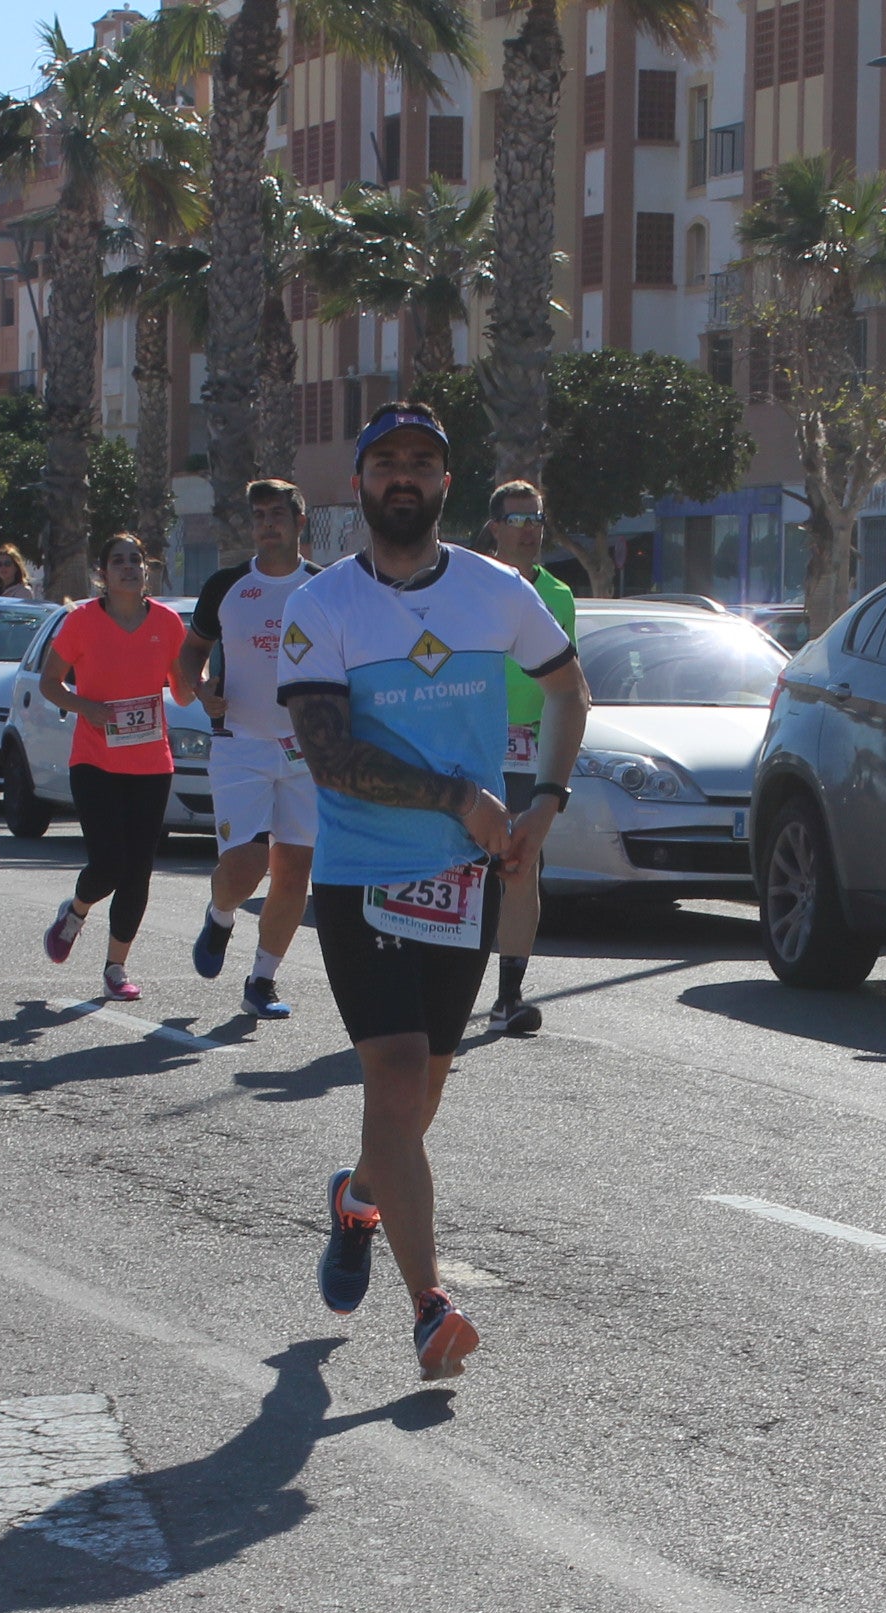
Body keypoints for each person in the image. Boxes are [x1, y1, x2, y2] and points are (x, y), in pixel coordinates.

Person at [276, 404, 589, 1381]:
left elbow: (571, 689)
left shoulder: (499, 593)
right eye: (386, 463)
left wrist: (543, 803)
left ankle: (359, 1199)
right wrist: (458, 795)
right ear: (359, 483)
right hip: (364, 879)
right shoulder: (321, 607)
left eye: (422, 463)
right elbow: (328, 758)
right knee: (398, 1078)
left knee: (421, 1101)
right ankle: (427, 1307)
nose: (403, 477)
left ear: (446, 484)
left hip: (465, 883)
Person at [177, 478, 321, 1020]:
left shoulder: (323, 587)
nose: (267, 523)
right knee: (246, 863)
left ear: (299, 521)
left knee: (293, 871)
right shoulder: (227, 586)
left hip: (306, 751)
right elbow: (192, 654)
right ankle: (219, 915)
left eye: (277, 513)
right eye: (259, 514)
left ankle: (262, 980)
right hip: (239, 744)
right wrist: (202, 688)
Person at [35, 535, 186, 1000]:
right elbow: (48, 683)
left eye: (136, 560)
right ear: (103, 573)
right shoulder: (82, 622)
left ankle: (116, 968)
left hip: (151, 763)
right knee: (108, 863)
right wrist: (86, 707)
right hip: (95, 760)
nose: (128, 567)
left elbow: (182, 690)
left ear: (147, 569)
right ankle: (76, 912)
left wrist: (208, 686)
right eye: (118, 560)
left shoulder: (167, 622)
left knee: (138, 870)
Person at [477, 480, 576, 1037]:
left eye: (536, 518)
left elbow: (568, 683)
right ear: (495, 528)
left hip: (526, 751)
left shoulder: (558, 595)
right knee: (466, 869)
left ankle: (508, 997)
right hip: (472, 744)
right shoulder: (471, 584)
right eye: (517, 519)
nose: (530, 529)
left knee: (521, 867)